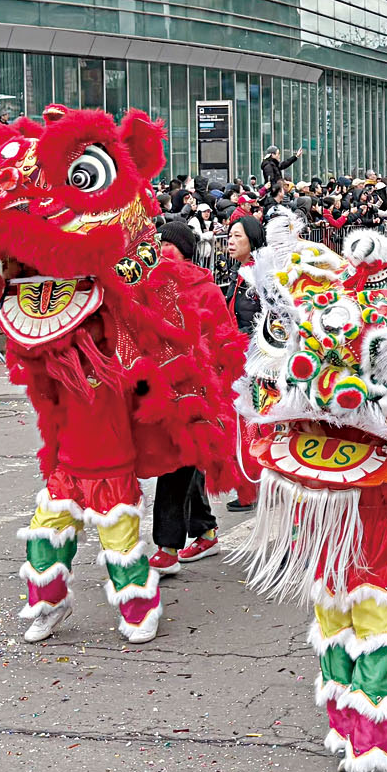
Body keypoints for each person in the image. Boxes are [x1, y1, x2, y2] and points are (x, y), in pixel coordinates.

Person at [146, 218, 222, 573]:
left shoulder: (206, 289)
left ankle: (167, 545)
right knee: (185, 462)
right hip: (163, 387)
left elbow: (223, 339)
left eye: (169, 244)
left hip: (197, 391)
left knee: (177, 463)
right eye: (160, 243)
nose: (163, 249)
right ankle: (204, 530)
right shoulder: (153, 284)